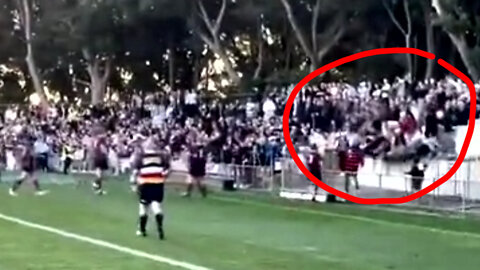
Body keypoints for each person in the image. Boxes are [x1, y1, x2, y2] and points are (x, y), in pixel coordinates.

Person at [130, 136, 170, 240]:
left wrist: (133, 183)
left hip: (145, 181)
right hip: (158, 181)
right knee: (155, 203)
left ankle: (142, 229)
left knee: (143, 205)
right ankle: (158, 218)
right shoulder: (162, 155)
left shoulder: (141, 155)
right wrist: (163, 176)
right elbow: (168, 169)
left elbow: (135, 170)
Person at [9, 131, 49, 196]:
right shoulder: (27, 148)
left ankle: (38, 190)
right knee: (23, 177)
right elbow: (24, 156)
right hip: (27, 164)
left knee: (33, 177)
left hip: (29, 164)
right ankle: (12, 189)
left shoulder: (29, 147)